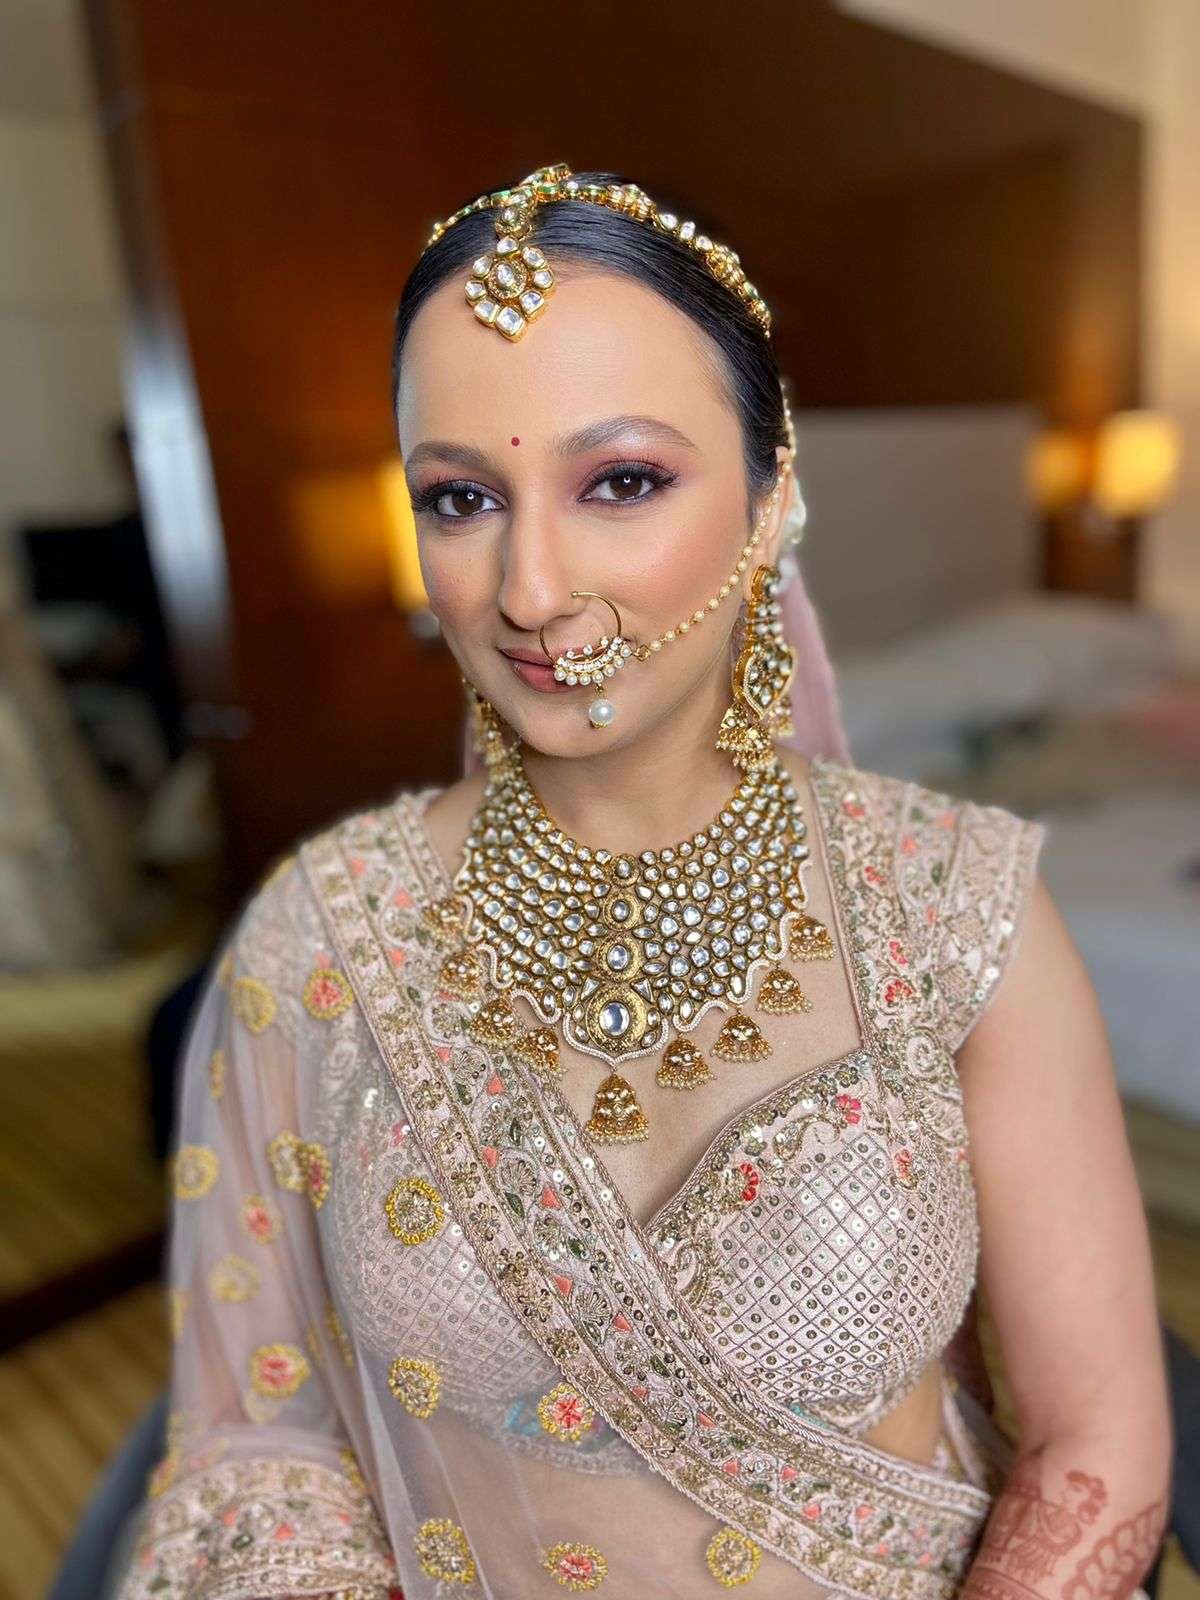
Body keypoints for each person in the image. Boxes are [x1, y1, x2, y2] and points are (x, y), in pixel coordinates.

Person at [107, 166, 1171, 1600]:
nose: (532, 591)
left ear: (771, 499)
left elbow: (1095, 1443)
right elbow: (257, 1437)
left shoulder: (957, 905)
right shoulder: (325, 928)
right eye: (462, 498)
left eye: (621, 482)